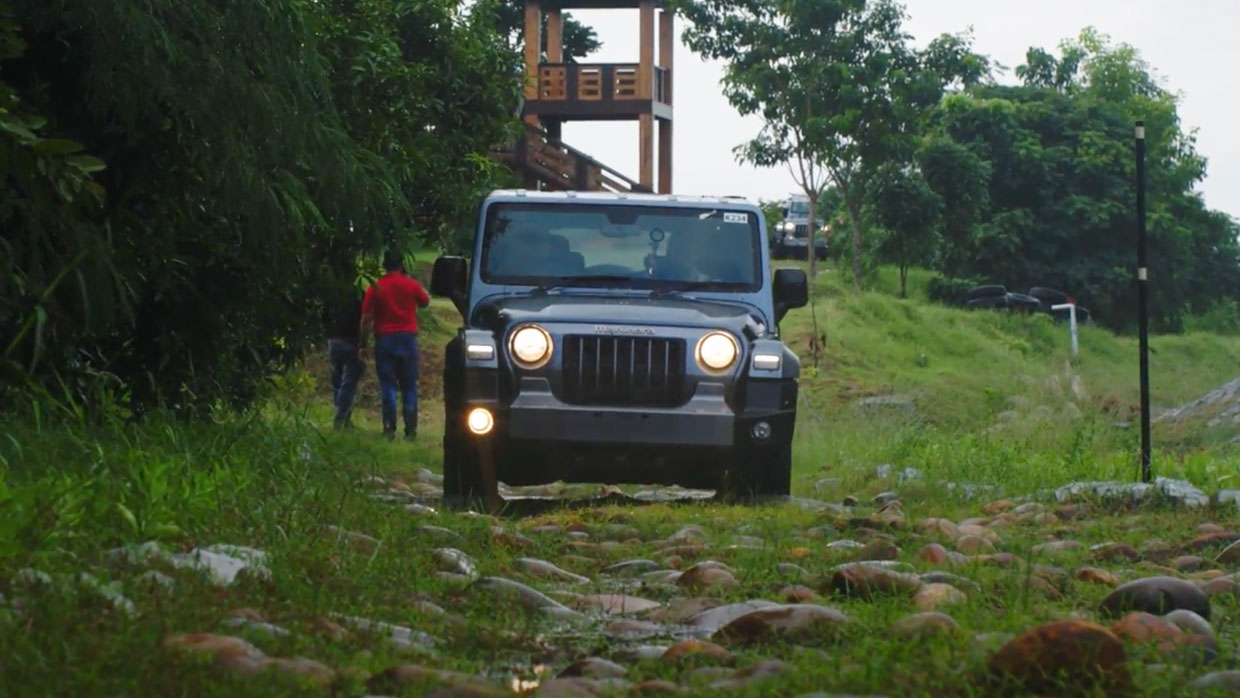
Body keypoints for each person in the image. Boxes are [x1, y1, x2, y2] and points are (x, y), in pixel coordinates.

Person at [359, 249, 430, 440]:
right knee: (409, 387)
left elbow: (366, 318)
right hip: (407, 339)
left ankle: (389, 429)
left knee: (388, 386)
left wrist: (363, 344)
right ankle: (411, 431)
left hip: (385, 340)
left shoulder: (376, 287)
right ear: (402, 265)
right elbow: (425, 301)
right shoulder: (411, 285)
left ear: (384, 266)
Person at [323, 282, 365, 430]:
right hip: (351, 341)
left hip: (333, 340)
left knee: (337, 381)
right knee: (349, 384)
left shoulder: (331, 294)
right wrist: (363, 343)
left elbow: (324, 317)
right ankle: (340, 418)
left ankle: (344, 418)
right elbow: (364, 318)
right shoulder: (359, 294)